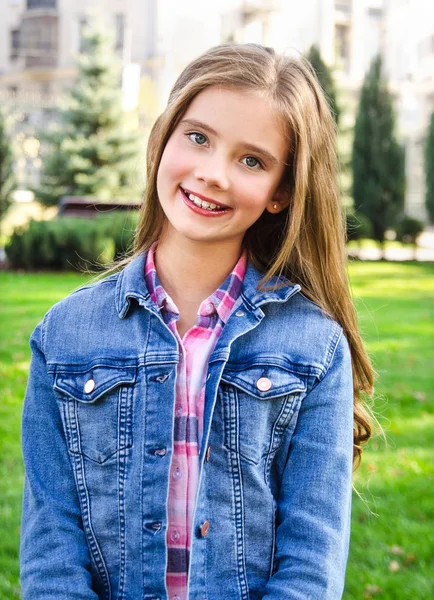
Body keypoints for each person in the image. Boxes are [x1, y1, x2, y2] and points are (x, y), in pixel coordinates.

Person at [20, 43, 374, 600]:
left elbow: (312, 558)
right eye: (199, 137)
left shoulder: (316, 348)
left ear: (282, 191)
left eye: (252, 160)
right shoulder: (64, 337)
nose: (213, 174)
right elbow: (51, 551)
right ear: (164, 136)